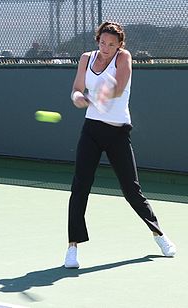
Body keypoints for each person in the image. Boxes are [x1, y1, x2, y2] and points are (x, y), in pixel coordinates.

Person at [64, 21, 176, 268]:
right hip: (91, 130)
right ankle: (72, 248)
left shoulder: (123, 58)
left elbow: (118, 87)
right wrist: (77, 98)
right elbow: (76, 89)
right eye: (103, 42)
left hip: (117, 133)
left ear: (119, 45)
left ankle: (159, 235)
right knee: (80, 186)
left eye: (111, 44)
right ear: (98, 41)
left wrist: (93, 97)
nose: (106, 48)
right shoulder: (86, 58)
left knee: (131, 189)